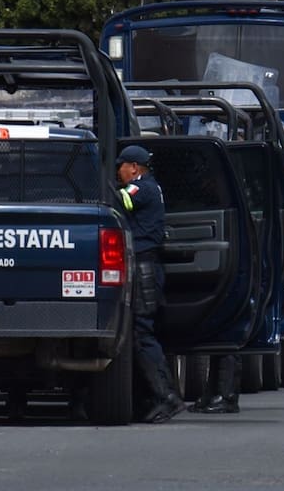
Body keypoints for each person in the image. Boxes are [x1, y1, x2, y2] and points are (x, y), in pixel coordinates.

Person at [116, 144, 185, 423]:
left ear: (134, 167)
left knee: (142, 334)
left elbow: (117, 202)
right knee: (138, 334)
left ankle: (166, 397)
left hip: (144, 265)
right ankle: (152, 397)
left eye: (120, 166)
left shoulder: (141, 187)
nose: (118, 171)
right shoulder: (149, 187)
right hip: (145, 265)